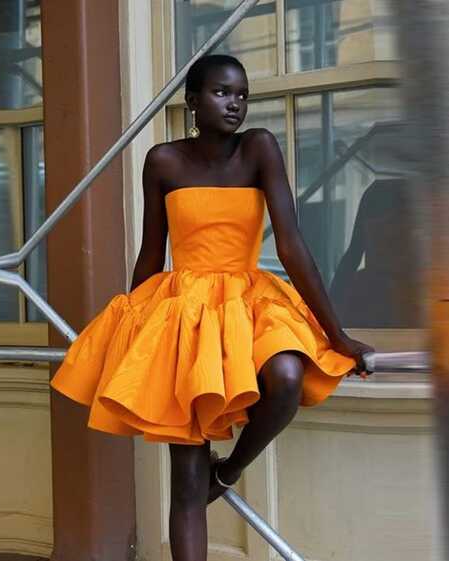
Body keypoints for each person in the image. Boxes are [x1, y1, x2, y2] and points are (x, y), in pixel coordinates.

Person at [50, 54, 375, 561]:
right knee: (185, 477)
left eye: (242, 94)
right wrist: (135, 334)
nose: (235, 104)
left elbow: (291, 245)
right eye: (222, 93)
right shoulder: (163, 160)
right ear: (193, 101)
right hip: (185, 312)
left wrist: (338, 337)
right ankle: (205, 481)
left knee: (286, 377)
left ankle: (227, 471)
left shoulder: (259, 148)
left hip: (249, 299)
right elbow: (151, 252)